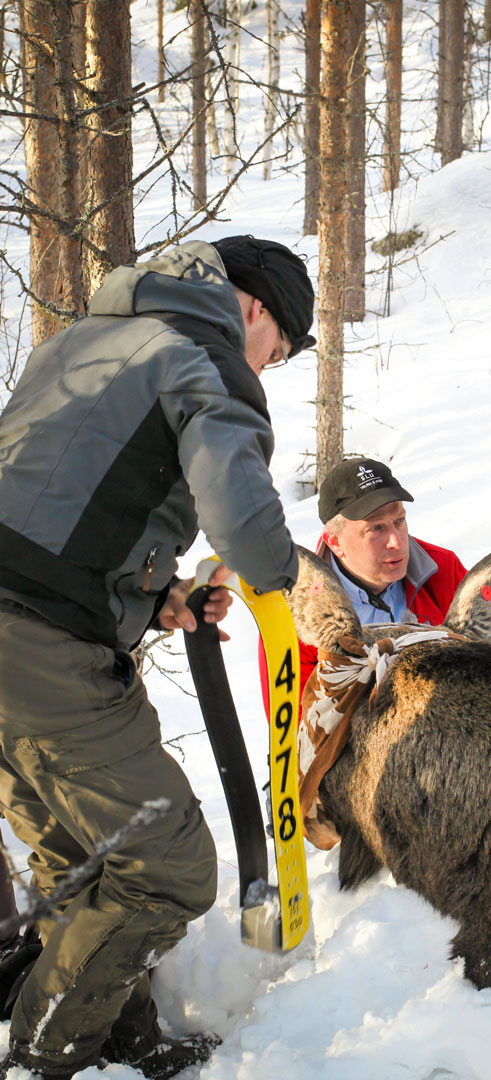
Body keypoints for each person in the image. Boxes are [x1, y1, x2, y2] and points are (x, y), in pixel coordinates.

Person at [0, 235, 315, 1079]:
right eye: (276, 352)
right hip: (37, 648)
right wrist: (281, 576)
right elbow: (245, 526)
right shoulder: (201, 353)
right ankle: (43, 1059)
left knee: (85, 860)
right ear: (253, 310)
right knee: (168, 868)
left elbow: (59, 501)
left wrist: (156, 595)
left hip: (25, 633)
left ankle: (112, 1040)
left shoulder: (79, 341)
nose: (266, 368)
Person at [260, 456, 491, 711]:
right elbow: (298, 726)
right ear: (335, 542)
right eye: (376, 528)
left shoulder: (440, 569)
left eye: (399, 521)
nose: (397, 542)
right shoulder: (300, 608)